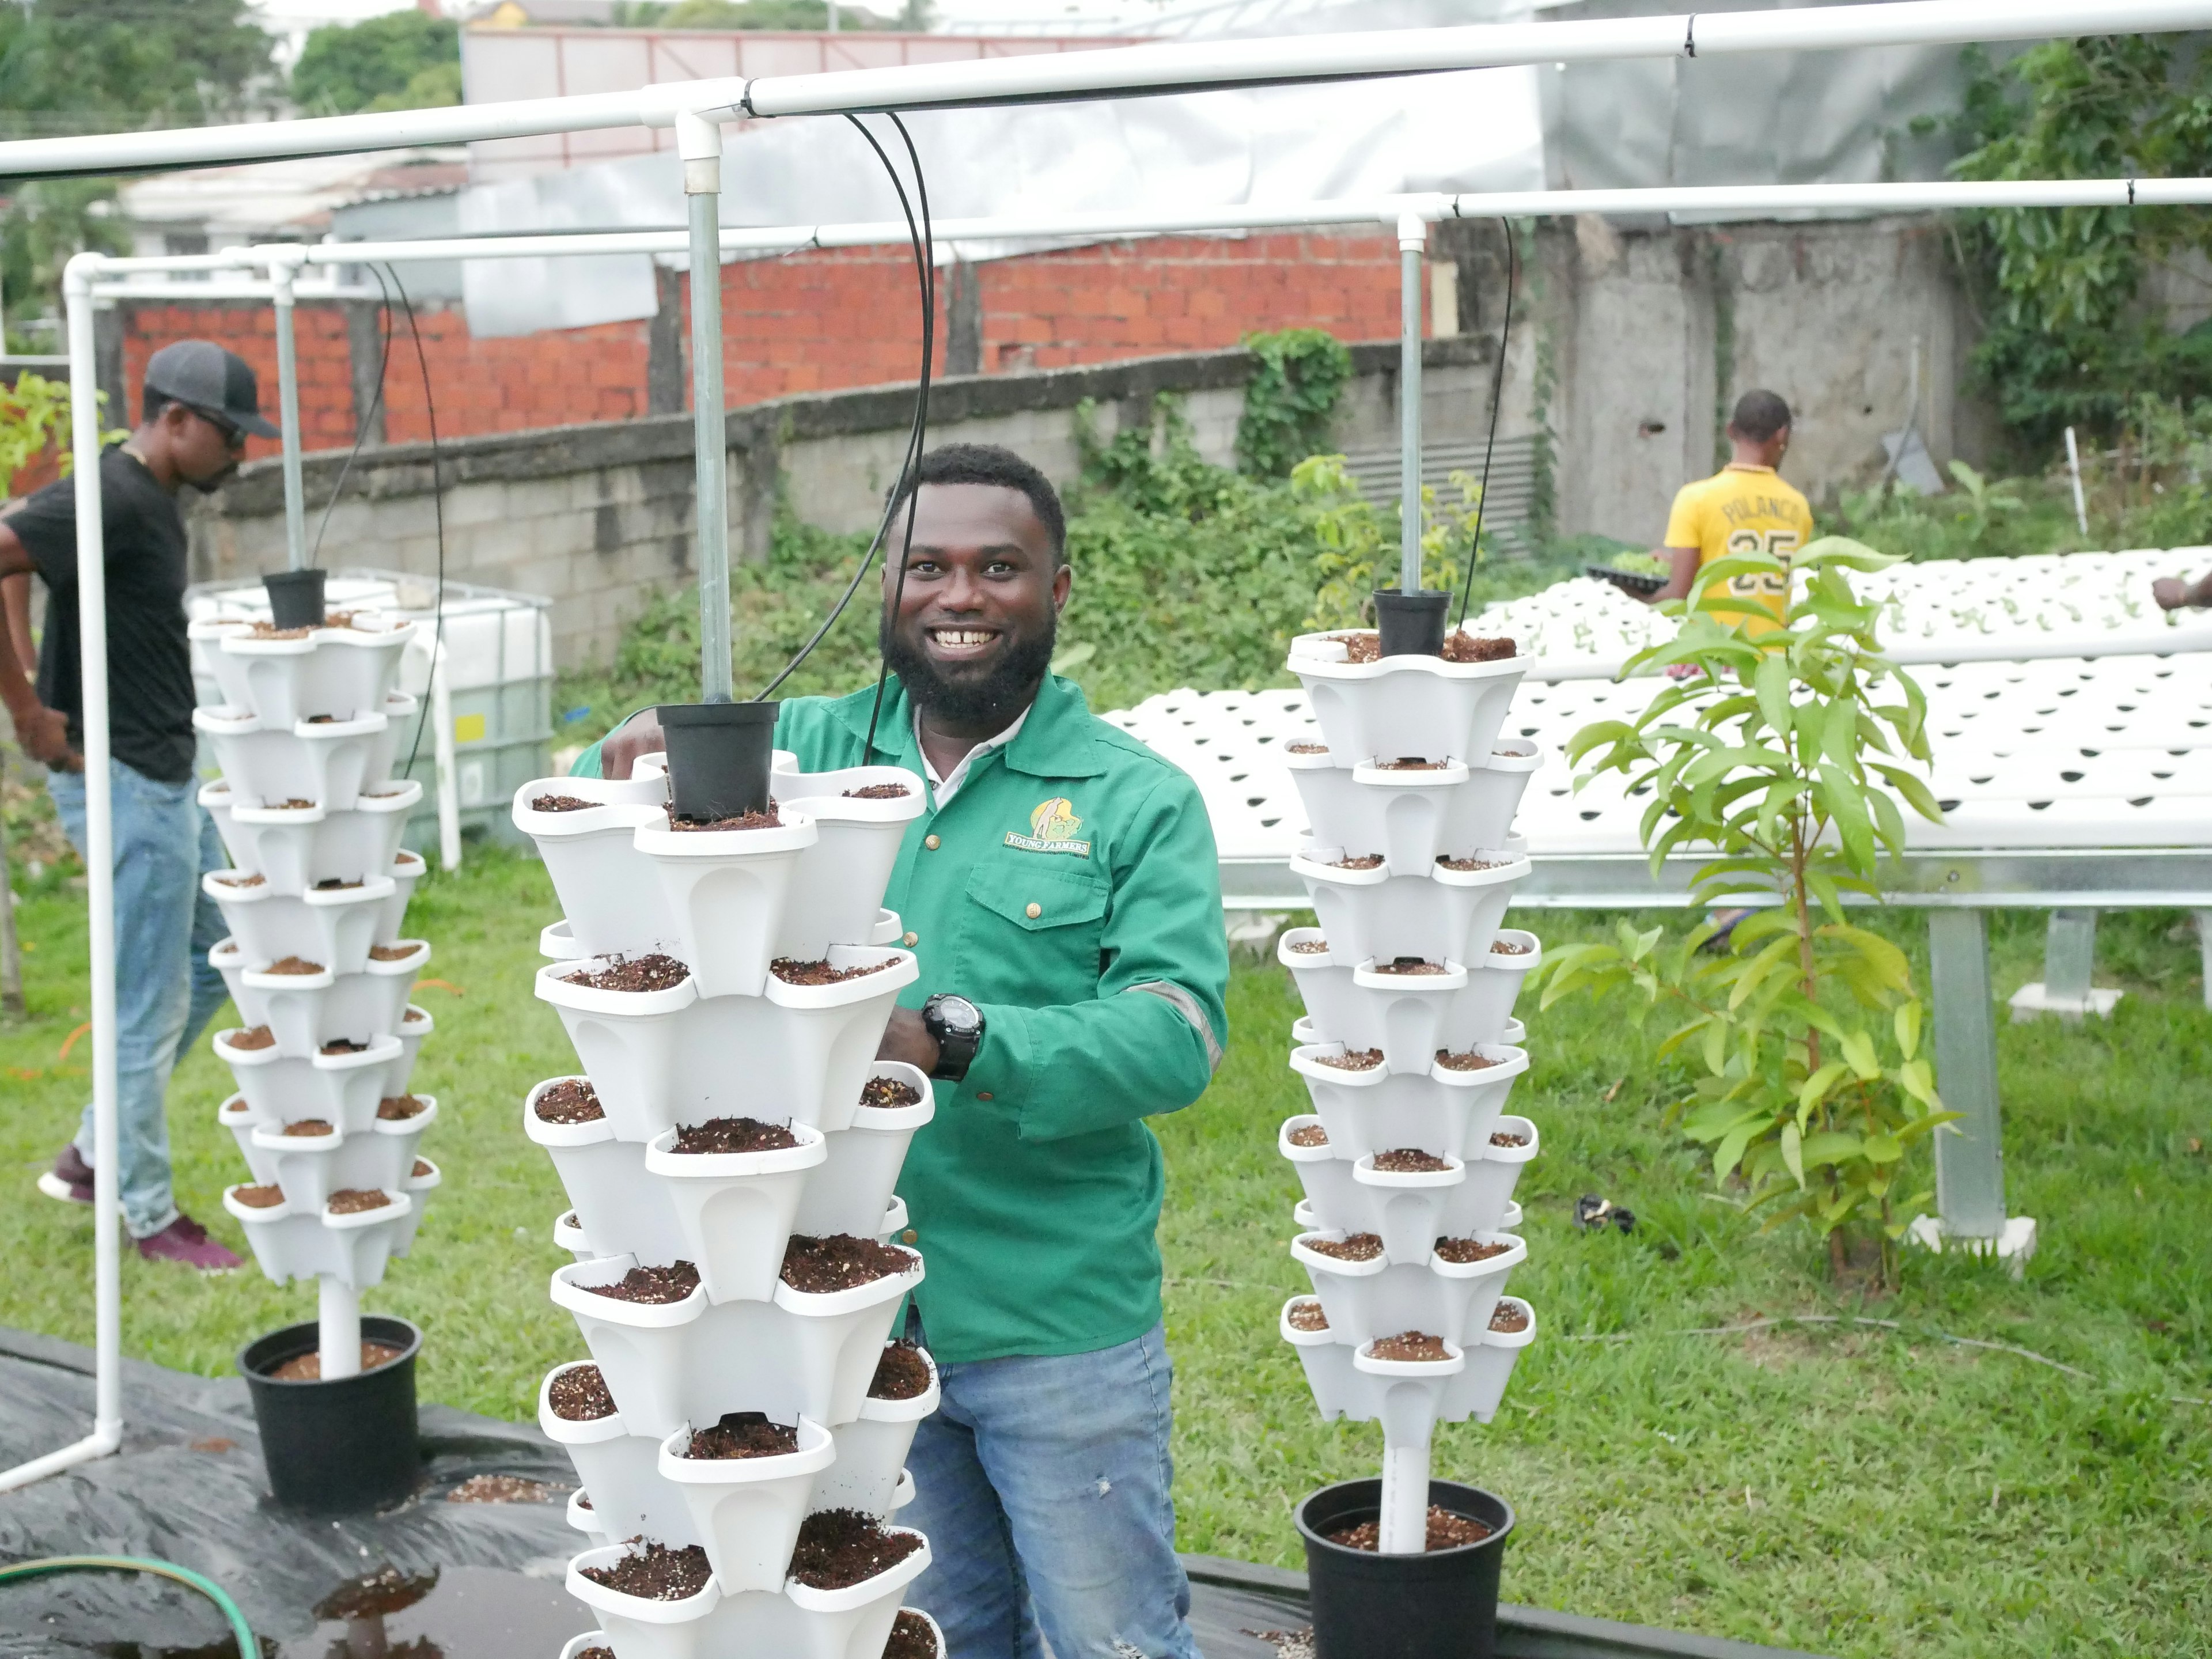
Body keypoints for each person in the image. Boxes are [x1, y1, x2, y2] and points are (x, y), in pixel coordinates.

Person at [578, 443, 1229, 1659]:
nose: (960, 597)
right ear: (885, 585)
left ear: (1059, 590)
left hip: (1053, 1317)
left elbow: (1175, 1035)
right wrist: (633, 753)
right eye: (927, 566)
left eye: (999, 568)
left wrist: (946, 1038)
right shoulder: (805, 758)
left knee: (1110, 1639)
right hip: (839, 1324)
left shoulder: (1131, 797)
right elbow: (598, 812)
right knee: (939, 1632)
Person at [0, 340, 276, 1271]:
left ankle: (91, 1152)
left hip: (164, 778)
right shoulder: (111, 494)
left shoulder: (145, 503)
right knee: (146, 1009)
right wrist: (29, 708)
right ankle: (148, 1215)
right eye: (231, 436)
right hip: (124, 779)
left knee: (214, 957)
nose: (241, 454)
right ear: (175, 421)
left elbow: (19, 560)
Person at [1641, 388, 1813, 636]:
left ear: (1731, 430)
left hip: (1716, 657)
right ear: (1782, 435)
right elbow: (1761, 564)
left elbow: (1676, 597)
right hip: (1772, 661)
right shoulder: (1798, 507)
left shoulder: (1696, 499)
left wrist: (1628, 593)